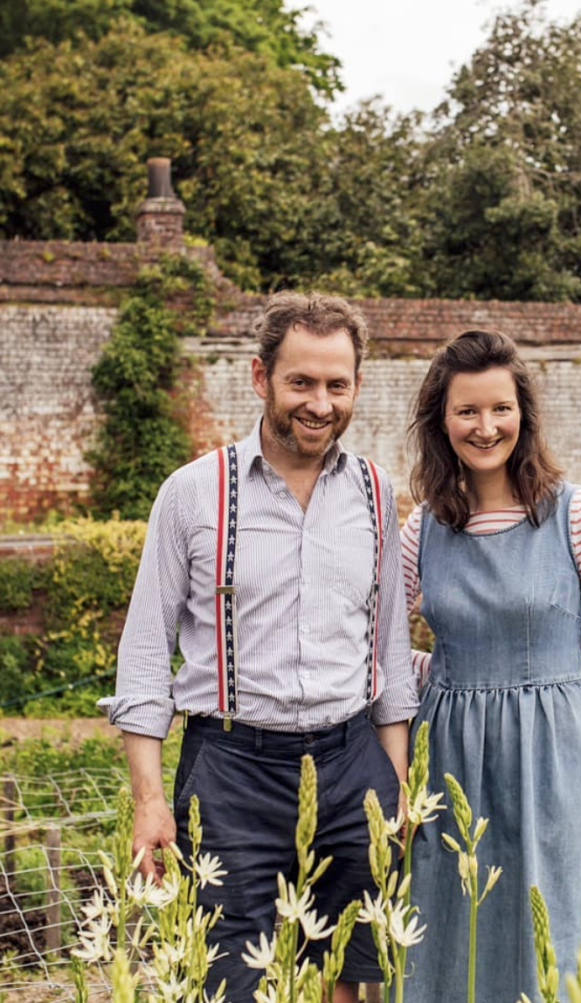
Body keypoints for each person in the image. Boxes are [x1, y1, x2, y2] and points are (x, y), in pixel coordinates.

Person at [102, 292, 419, 1003]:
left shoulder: (375, 490)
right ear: (259, 377)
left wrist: (394, 783)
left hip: (351, 765)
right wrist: (149, 799)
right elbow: (147, 652)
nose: (320, 402)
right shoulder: (192, 493)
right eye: (301, 381)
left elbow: (389, 647)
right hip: (230, 773)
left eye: (337, 384)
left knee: (356, 978)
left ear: (357, 386)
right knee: (229, 982)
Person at [399, 330, 581, 1003]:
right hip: (450, 756)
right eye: (467, 412)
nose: (485, 427)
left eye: (500, 409)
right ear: (441, 421)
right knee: (457, 925)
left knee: (561, 930)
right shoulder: (421, 528)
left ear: (525, 414)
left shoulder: (579, 516)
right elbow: (381, 652)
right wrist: (451, 682)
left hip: (554, 760)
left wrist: (553, 692)